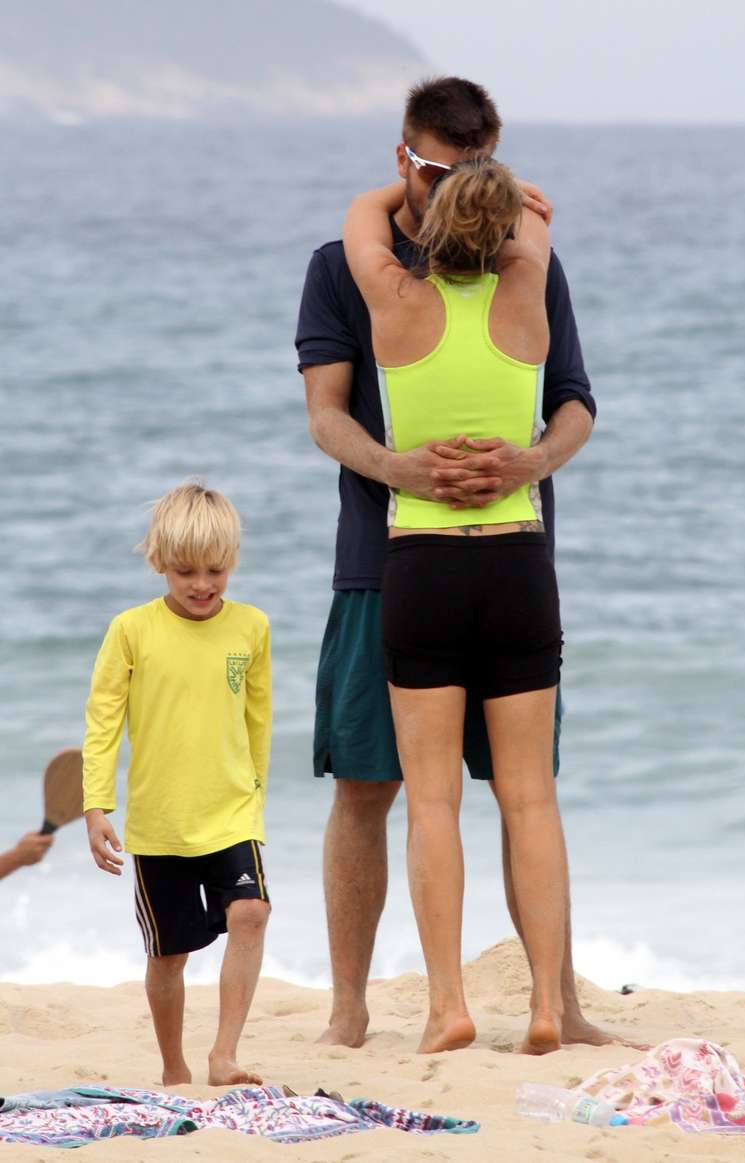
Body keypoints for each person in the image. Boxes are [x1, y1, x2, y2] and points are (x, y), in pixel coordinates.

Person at [296, 76, 622, 1051]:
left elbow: (574, 403)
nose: (450, 185)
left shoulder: (395, 284)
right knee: (374, 783)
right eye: (439, 167)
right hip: (396, 564)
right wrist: (393, 461)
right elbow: (325, 416)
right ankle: (351, 1007)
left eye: (470, 170)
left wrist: (532, 457)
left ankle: (535, 1003)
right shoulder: (514, 264)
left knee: (475, 792)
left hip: (437, 555)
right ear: (405, 156)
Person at [343, 160, 565, 1053]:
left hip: (424, 565)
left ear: (430, 229)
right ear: (506, 228)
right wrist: (509, 201)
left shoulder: (396, 305)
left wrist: (411, 184)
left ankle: (450, 1006)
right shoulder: (529, 296)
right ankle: (547, 1005)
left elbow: (363, 213)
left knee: (432, 800)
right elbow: (535, 229)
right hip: (518, 561)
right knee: (531, 798)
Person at [82, 482, 272, 1087]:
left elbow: (258, 719)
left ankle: (224, 1055)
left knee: (252, 911)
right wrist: (95, 804)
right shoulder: (131, 630)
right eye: (185, 570)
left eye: (215, 570)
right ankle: (173, 1065)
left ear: (232, 562)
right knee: (169, 954)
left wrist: (256, 796)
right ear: (159, 563)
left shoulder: (251, 627)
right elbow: (103, 719)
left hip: (230, 812)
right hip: (160, 822)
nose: (201, 584)